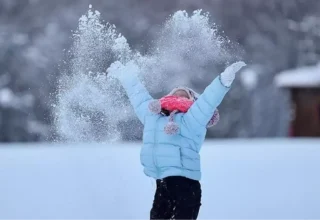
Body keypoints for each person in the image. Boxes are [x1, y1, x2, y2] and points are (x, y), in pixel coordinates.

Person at [107, 60, 246, 220]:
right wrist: (126, 76)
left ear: (193, 101)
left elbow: (208, 101)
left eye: (184, 95)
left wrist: (222, 81)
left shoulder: (193, 118)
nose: (179, 96)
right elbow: (138, 96)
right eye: (175, 93)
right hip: (162, 184)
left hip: (186, 185)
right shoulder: (153, 115)